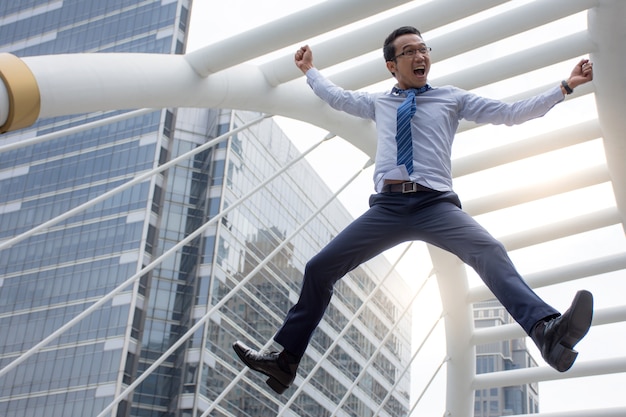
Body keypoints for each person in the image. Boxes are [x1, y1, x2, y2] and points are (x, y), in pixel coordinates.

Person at [233, 26, 595, 394]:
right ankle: (285, 362)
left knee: (489, 251)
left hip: (435, 204)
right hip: (388, 207)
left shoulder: (451, 98)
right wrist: (309, 71)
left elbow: (511, 113)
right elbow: (336, 97)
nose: (421, 56)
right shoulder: (379, 103)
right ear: (392, 65)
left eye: (424, 49)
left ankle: (547, 332)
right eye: (409, 51)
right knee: (318, 268)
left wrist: (564, 87)